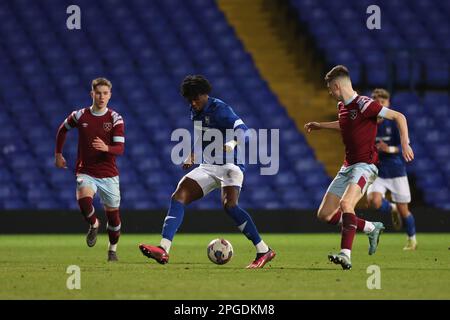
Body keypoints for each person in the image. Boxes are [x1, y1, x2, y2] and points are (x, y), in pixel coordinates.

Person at [138, 75, 275, 269]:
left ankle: (263, 250)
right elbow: (201, 135)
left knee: (230, 206)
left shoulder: (221, 109)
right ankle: (163, 249)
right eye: (190, 100)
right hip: (208, 166)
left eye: (196, 99)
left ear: (205, 94)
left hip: (231, 164)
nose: (193, 103)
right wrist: (193, 154)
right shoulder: (194, 110)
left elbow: (244, 129)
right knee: (179, 196)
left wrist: (233, 142)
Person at [304, 65, 414, 270]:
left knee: (347, 205)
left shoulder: (365, 104)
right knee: (325, 214)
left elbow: (399, 117)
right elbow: (344, 124)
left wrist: (405, 143)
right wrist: (321, 125)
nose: (329, 92)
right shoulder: (343, 107)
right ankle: (371, 227)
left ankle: (346, 254)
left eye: (330, 88)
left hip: (366, 166)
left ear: (337, 86)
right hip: (347, 166)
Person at [55, 78, 125, 262]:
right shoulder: (80, 115)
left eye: (105, 93)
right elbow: (62, 130)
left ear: (110, 95)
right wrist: (58, 154)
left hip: (109, 174)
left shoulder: (115, 118)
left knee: (114, 218)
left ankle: (112, 250)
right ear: (92, 94)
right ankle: (94, 224)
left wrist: (106, 148)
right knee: (84, 202)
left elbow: (120, 149)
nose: (102, 97)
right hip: (86, 170)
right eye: (98, 93)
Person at [367, 88, 417, 250]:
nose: (379, 105)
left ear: (388, 104)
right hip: (378, 171)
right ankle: (392, 207)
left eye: (383, 102)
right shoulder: (368, 123)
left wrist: (388, 149)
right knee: (374, 201)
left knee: (404, 211)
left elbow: (402, 147)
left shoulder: (395, 122)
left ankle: (412, 239)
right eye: (376, 102)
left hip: (396, 170)